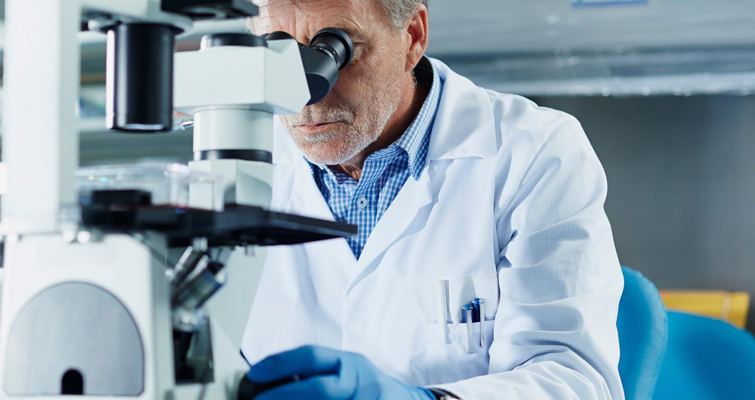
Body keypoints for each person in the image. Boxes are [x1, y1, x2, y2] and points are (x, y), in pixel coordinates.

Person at [239, 1, 625, 399]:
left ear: (412, 37)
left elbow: (575, 382)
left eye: (335, 49)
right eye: (280, 52)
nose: (308, 93)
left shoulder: (535, 153)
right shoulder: (230, 157)